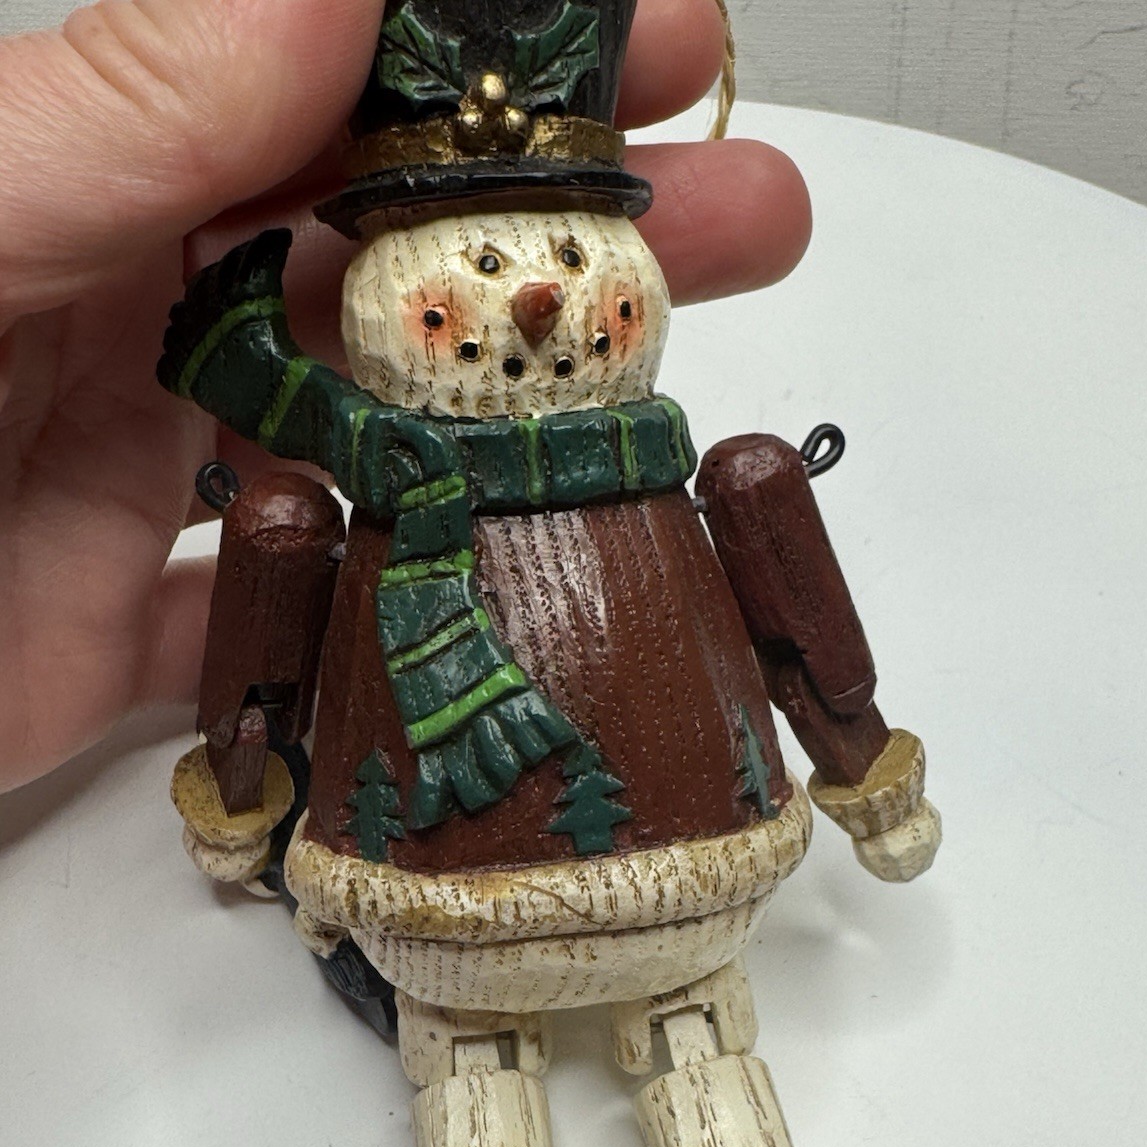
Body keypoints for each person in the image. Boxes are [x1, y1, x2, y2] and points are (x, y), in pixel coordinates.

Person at [0, 0, 811, 795]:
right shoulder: (388, 457)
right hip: (405, 801)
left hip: (686, 746)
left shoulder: (615, 455)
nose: (540, 299)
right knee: (280, 523)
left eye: (571, 256)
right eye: (484, 264)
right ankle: (246, 783)